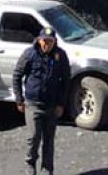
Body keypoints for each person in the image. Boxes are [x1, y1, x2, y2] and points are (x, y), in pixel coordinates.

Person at [13, 27, 71, 175]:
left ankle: (47, 169)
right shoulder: (30, 54)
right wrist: (19, 99)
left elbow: (65, 80)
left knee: (49, 139)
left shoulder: (60, 55)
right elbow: (17, 75)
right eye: (44, 41)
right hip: (33, 104)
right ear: (39, 40)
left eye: (50, 41)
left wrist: (61, 104)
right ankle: (30, 164)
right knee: (33, 137)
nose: (47, 44)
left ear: (54, 42)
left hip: (52, 105)